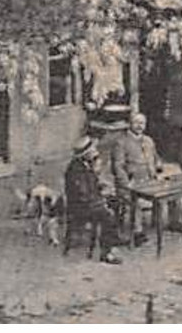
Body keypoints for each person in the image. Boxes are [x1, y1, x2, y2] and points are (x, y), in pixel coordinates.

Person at [63, 136, 122, 263]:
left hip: (90, 200)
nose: (96, 152)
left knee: (117, 202)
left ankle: (113, 238)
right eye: (93, 150)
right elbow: (83, 195)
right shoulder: (76, 171)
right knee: (108, 215)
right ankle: (106, 253)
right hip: (79, 207)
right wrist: (101, 200)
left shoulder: (87, 165)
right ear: (86, 154)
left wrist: (103, 188)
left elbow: (92, 185)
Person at [107, 112, 158, 243]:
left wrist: (158, 168)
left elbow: (156, 159)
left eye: (142, 123)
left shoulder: (148, 141)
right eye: (136, 122)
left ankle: (175, 223)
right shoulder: (121, 142)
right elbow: (117, 167)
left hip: (149, 181)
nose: (139, 126)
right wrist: (126, 184)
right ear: (129, 124)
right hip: (130, 184)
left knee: (171, 193)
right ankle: (137, 232)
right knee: (136, 202)